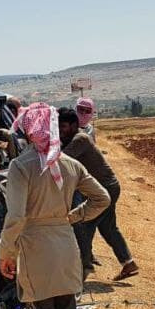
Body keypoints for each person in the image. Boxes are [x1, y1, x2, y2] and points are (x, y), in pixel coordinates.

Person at [0, 103, 109, 309]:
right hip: (66, 245)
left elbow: (17, 216)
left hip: (36, 249)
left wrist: (5, 252)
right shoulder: (71, 164)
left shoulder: (21, 167)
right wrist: (71, 218)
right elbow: (103, 197)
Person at [57, 107, 138, 281]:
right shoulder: (73, 139)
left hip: (104, 190)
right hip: (106, 189)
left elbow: (60, 160)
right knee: (108, 228)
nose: (59, 131)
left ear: (72, 125)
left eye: (62, 126)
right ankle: (128, 263)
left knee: (84, 227)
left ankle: (83, 270)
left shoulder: (80, 139)